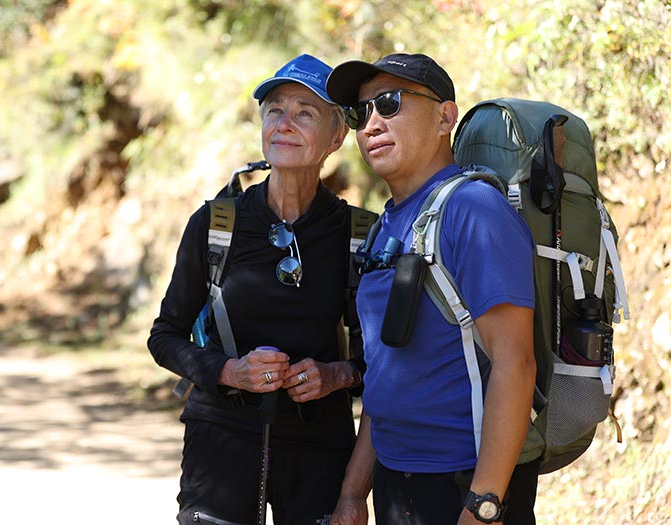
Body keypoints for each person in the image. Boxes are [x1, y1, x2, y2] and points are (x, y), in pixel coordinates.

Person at [148, 53, 374, 525]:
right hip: (221, 439)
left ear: (336, 137)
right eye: (275, 109)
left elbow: (383, 358)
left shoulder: (358, 235)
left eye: (304, 113)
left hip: (319, 446)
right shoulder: (216, 224)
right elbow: (164, 336)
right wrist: (230, 371)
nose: (284, 124)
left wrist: (337, 376)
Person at [324, 53, 539, 524]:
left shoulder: (474, 209)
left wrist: (483, 506)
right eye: (360, 113)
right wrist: (353, 492)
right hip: (397, 484)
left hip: (464, 486)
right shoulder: (387, 226)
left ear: (445, 117)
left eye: (390, 103)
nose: (372, 124)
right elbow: (385, 375)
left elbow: (515, 363)